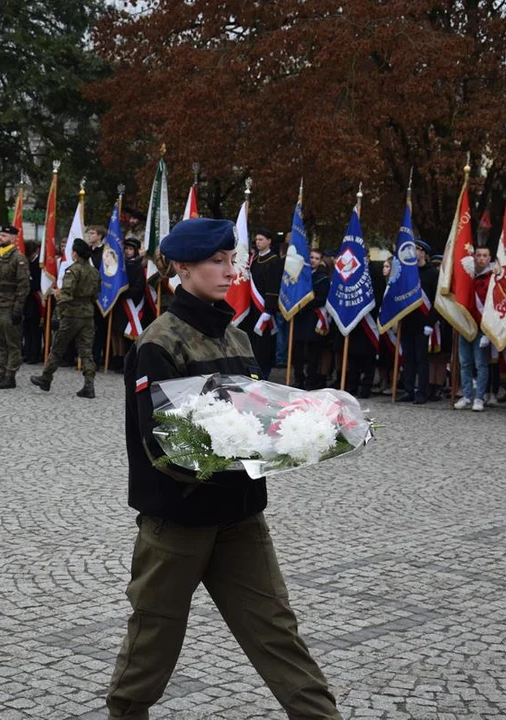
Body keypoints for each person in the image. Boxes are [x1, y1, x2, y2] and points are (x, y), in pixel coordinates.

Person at [107, 217, 340, 720]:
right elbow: (160, 444)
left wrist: (303, 433)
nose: (229, 270)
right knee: (154, 636)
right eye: (217, 261)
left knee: (275, 630)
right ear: (182, 268)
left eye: (232, 260)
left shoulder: (237, 338)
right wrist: (234, 453)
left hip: (239, 517)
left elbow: (259, 416)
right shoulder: (159, 343)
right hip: (179, 520)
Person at [30, 238, 100, 397]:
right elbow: (96, 294)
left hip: (71, 315)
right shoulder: (94, 272)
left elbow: (66, 295)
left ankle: (46, 378)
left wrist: (58, 314)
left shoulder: (72, 270)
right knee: (86, 352)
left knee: (57, 348)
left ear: (75, 253)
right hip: (87, 314)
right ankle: (89, 385)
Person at [0, 225, 29, 389]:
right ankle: (2, 372)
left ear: (13, 238)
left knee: (12, 342)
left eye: (4, 235)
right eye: (0, 234)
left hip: (9, 304)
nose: (0, 237)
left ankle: (11, 375)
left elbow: (23, 286)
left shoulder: (18, 258)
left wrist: (18, 308)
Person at [398, 238, 440, 404]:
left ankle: (422, 391)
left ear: (423, 253)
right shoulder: (407, 273)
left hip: (424, 323)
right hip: (408, 321)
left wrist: (430, 323)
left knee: (421, 359)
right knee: (408, 358)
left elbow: (437, 301)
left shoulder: (432, 274)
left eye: (416, 250)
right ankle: (408, 390)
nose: (413, 253)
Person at [239, 228, 283, 378]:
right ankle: (252, 372)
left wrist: (269, 310)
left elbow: (273, 286)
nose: (258, 242)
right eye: (256, 240)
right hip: (252, 307)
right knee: (252, 341)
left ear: (269, 241)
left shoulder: (274, 261)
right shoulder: (255, 260)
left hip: (264, 308)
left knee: (264, 344)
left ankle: (264, 373)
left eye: (261, 240)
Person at [455, 246, 494, 411]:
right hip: (465, 324)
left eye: (485, 255)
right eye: (478, 255)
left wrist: (489, 332)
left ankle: (479, 397)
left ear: (489, 258)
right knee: (464, 363)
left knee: (481, 364)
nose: (481, 258)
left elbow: (494, 305)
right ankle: (467, 395)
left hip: (482, 327)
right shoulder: (466, 276)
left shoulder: (493, 278)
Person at [292, 247, 331, 390]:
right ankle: (298, 378)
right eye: (311, 257)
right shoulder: (300, 276)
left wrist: (304, 303)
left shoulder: (323, 278)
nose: (313, 260)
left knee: (313, 352)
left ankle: (311, 380)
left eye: (316, 258)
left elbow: (321, 299)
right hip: (300, 318)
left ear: (320, 261)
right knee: (298, 351)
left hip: (313, 319)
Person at [22, 239, 44, 364]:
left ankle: (34, 354)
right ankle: (27, 352)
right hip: (26, 299)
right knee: (27, 327)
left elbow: (37, 283)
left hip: (35, 299)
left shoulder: (38, 264)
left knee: (35, 329)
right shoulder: (26, 263)